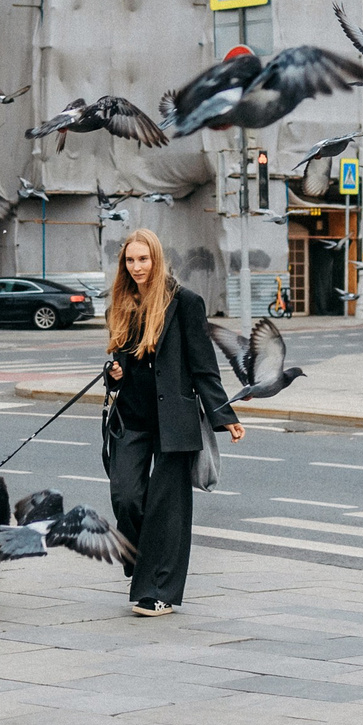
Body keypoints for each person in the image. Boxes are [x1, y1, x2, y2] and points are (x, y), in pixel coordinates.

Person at [101, 229, 240, 614]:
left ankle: (157, 592)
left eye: (143, 259)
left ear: (156, 259)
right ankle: (137, 556)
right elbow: (118, 359)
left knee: (167, 509)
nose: (137, 267)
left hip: (174, 421)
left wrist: (224, 416)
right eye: (130, 260)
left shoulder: (185, 303)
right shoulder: (121, 305)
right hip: (131, 418)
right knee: (125, 496)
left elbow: (203, 366)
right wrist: (112, 371)